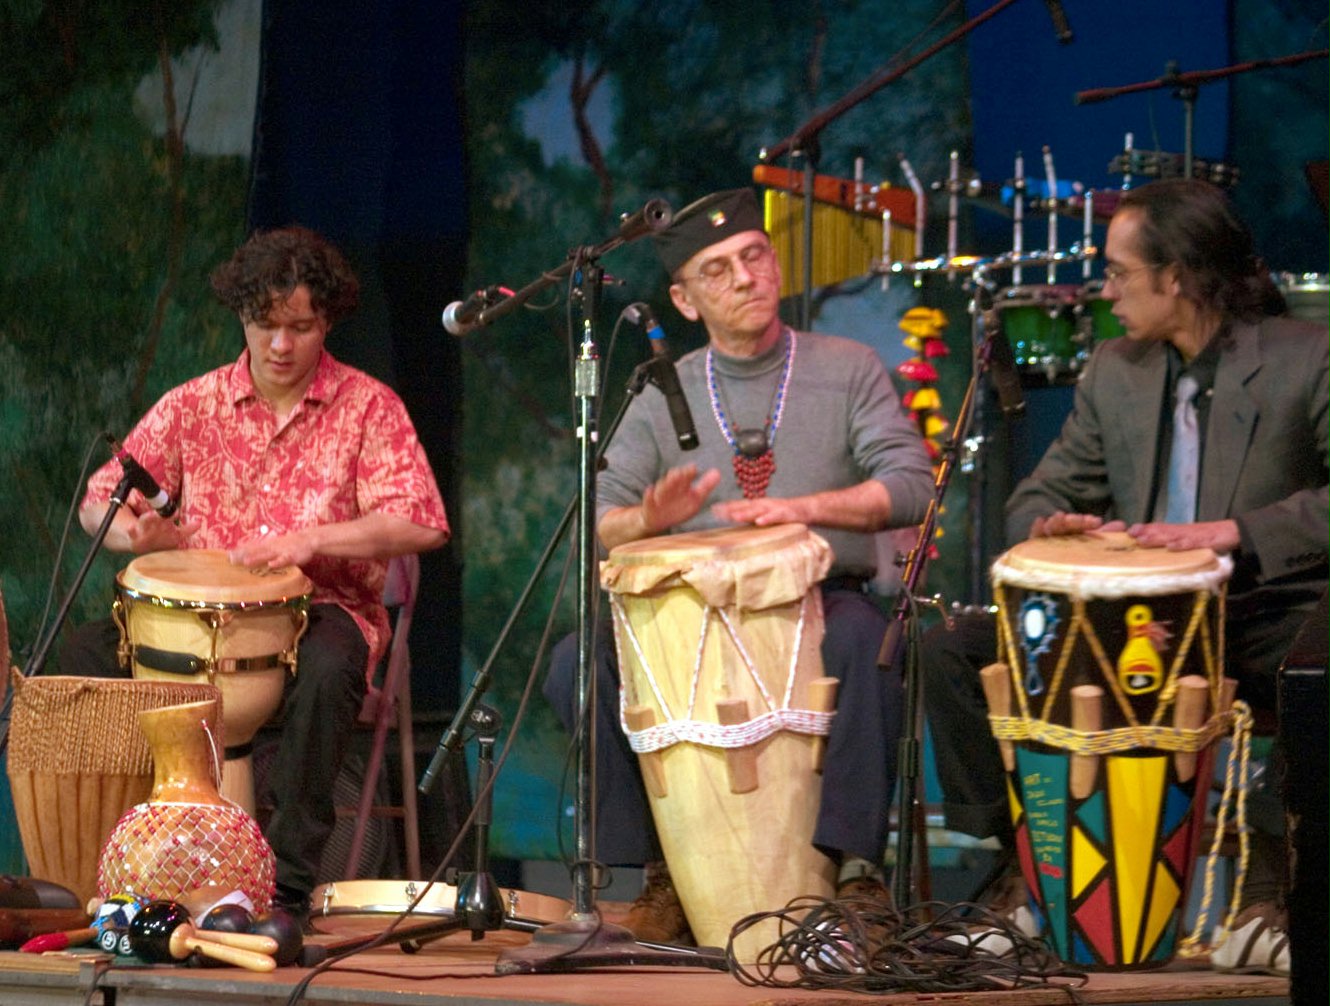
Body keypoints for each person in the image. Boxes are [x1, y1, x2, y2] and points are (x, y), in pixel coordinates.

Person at [923, 177, 1330, 976]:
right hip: (1129, 627)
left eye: (1118, 272)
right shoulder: (1117, 368)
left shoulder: (1304, 357)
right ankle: (1028, 876)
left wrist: (1236, 532)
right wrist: (1052, 522)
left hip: (1257, 611)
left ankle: (1275, 892)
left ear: (1175, 276)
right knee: (950, 653)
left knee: (1313, 670)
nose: (1103, 290)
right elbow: (1038, 493)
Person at [542, 187, 935, 943]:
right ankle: (663, 873)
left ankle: (857, 876)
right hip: (691, 618)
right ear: (685, 301)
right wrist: (646, 520)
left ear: (775, 262)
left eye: (753, 256)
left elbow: (913, 486)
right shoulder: (663, 391)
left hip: (823, 598)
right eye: (717, 270)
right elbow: (597, 519)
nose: (746, 276)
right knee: (576, 663)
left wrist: (807, 509)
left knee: (872, 648)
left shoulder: (847, 367)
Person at [56, 226, 450, 925]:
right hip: (193, 626)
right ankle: (108, 869)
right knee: (78, 660)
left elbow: (421, 522)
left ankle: (285, 886)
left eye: (301, 327)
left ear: (326, 320)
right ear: (242, 316)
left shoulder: (368, 406)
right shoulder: (192, 404)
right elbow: (99, 502)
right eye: (265, 325)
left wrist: (312, 541)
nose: (280, 345)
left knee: (331, 667)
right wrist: (133, 532)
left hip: (319, 611)